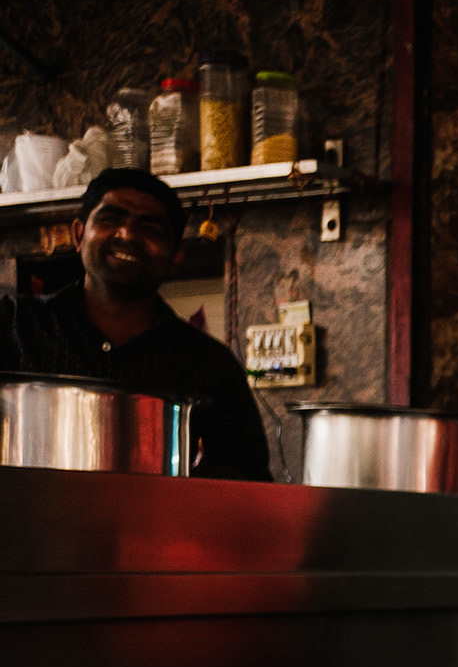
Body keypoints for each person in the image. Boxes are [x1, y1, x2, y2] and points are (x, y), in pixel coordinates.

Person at [0, 168, 270, 479]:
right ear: (77, 235)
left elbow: (248, 484)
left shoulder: (210, 364)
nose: (127, 234)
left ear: (176, 257)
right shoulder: (14, 325)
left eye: (151, 229)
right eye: (110, 219)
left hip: (154, 527)